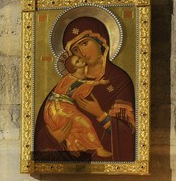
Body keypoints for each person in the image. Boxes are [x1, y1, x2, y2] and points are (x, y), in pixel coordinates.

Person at [36, 15, 137, 162]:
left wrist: (101, 115)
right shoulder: (66, 85)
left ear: (101, 41)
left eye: (85, 43)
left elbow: (129, 135)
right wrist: (53, 137)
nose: (82, 53)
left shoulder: (119, 82)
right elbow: (41, 134)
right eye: (75, 49)